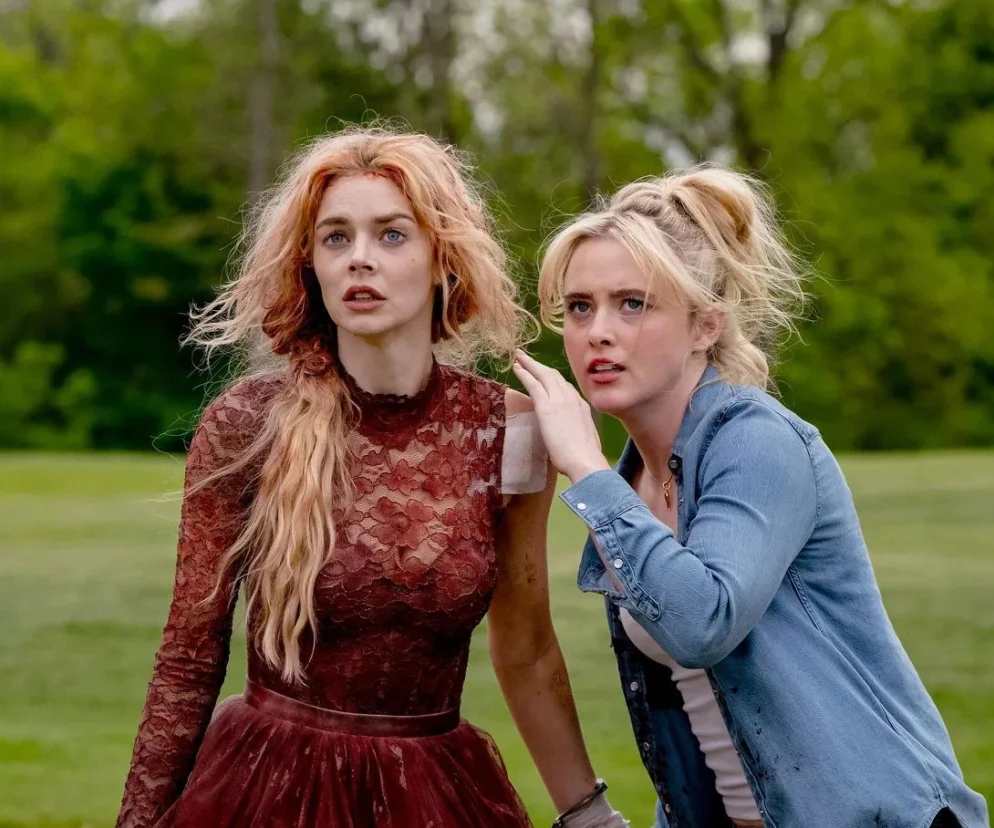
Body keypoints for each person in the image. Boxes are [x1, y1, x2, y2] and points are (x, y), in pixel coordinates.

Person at [115, 127, 626, 828]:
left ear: (442, 259)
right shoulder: (247, 422)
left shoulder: (506, 429)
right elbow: (188, 655)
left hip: (436, 794)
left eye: (391, 235)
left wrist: (589, 815)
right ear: (310, 265)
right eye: (336, 237)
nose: (360, 258)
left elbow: (529, 649)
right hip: (266, 791)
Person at [512, 165, 989, 828]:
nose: (598, 332)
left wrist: (587, 471)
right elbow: (696, 715)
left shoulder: (756, 441)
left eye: (634, 304)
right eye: (579, 307)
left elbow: (701, 623)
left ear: (705, 326)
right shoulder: (635, 480)